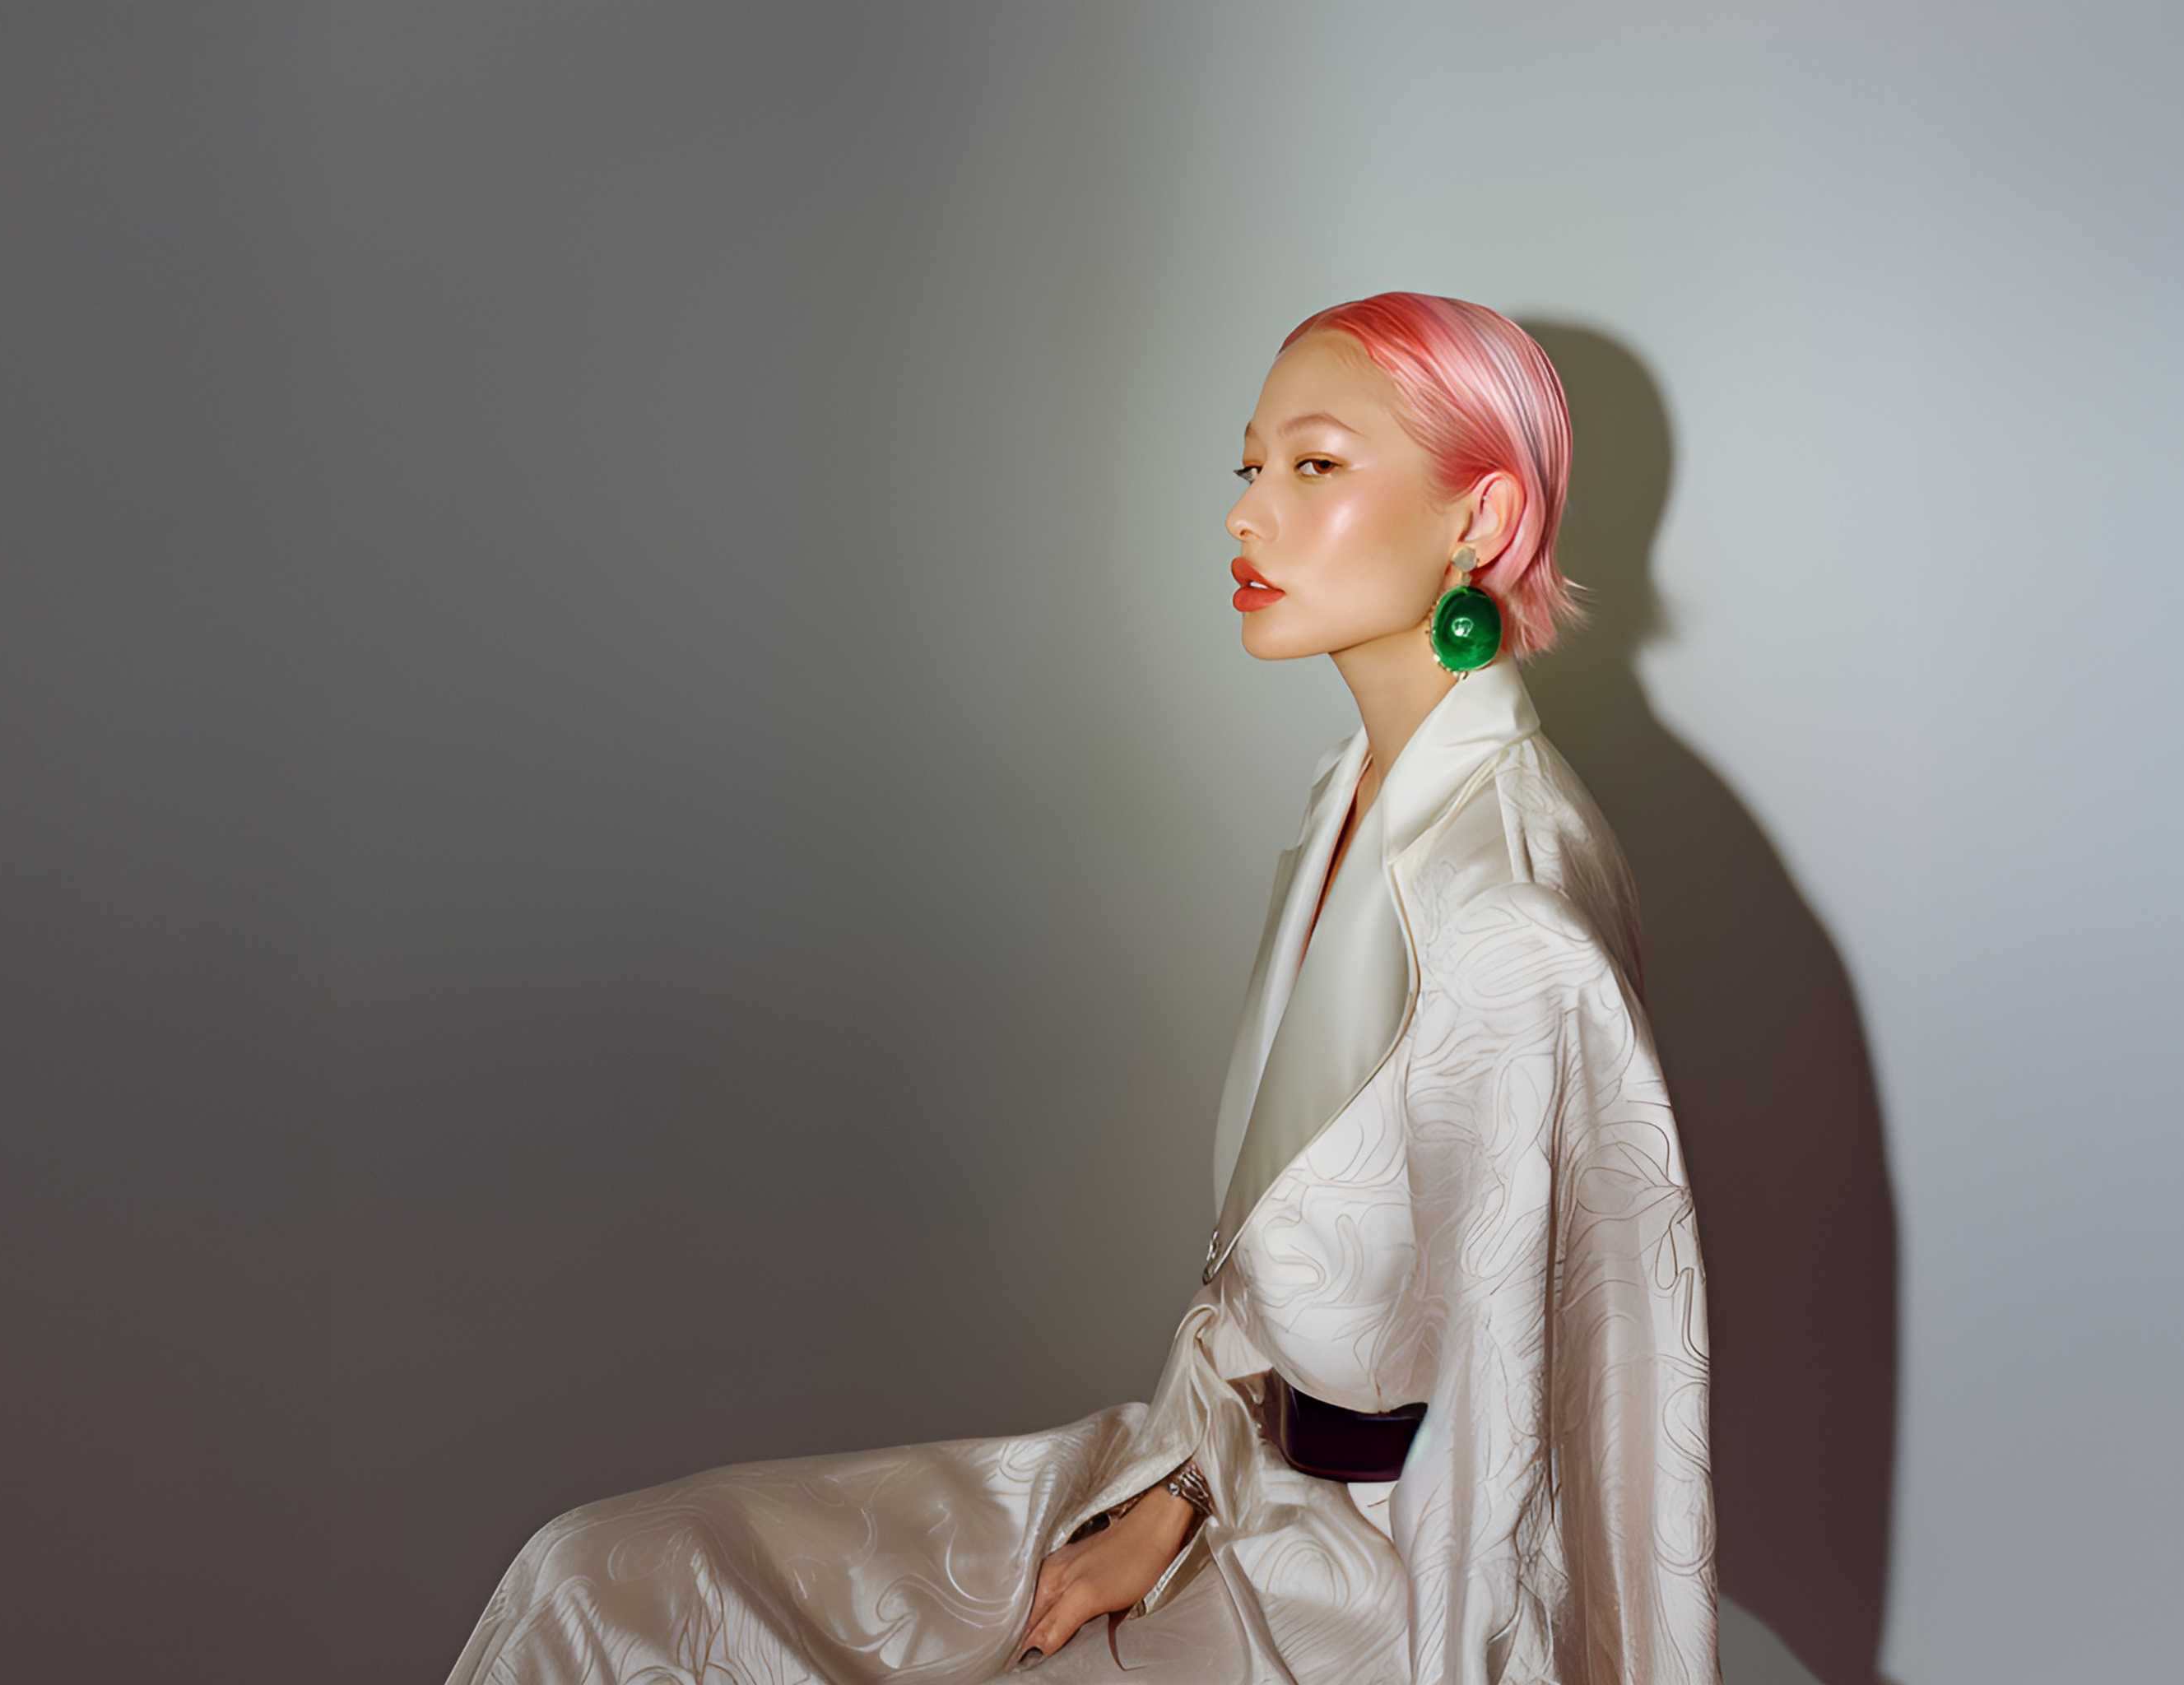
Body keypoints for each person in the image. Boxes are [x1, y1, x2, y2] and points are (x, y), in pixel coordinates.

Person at [442, 292, 1719, 1684]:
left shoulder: (1510, 917)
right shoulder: (1350, 798)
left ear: (1480, 518)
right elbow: (1273, 1295)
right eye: (1250, 467)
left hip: (1386, 1598)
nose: (1245, 513)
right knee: (593, 1578)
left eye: (1313, 465)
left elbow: (1520, 1436)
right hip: (1212, 1486)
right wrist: (1176, 1495)